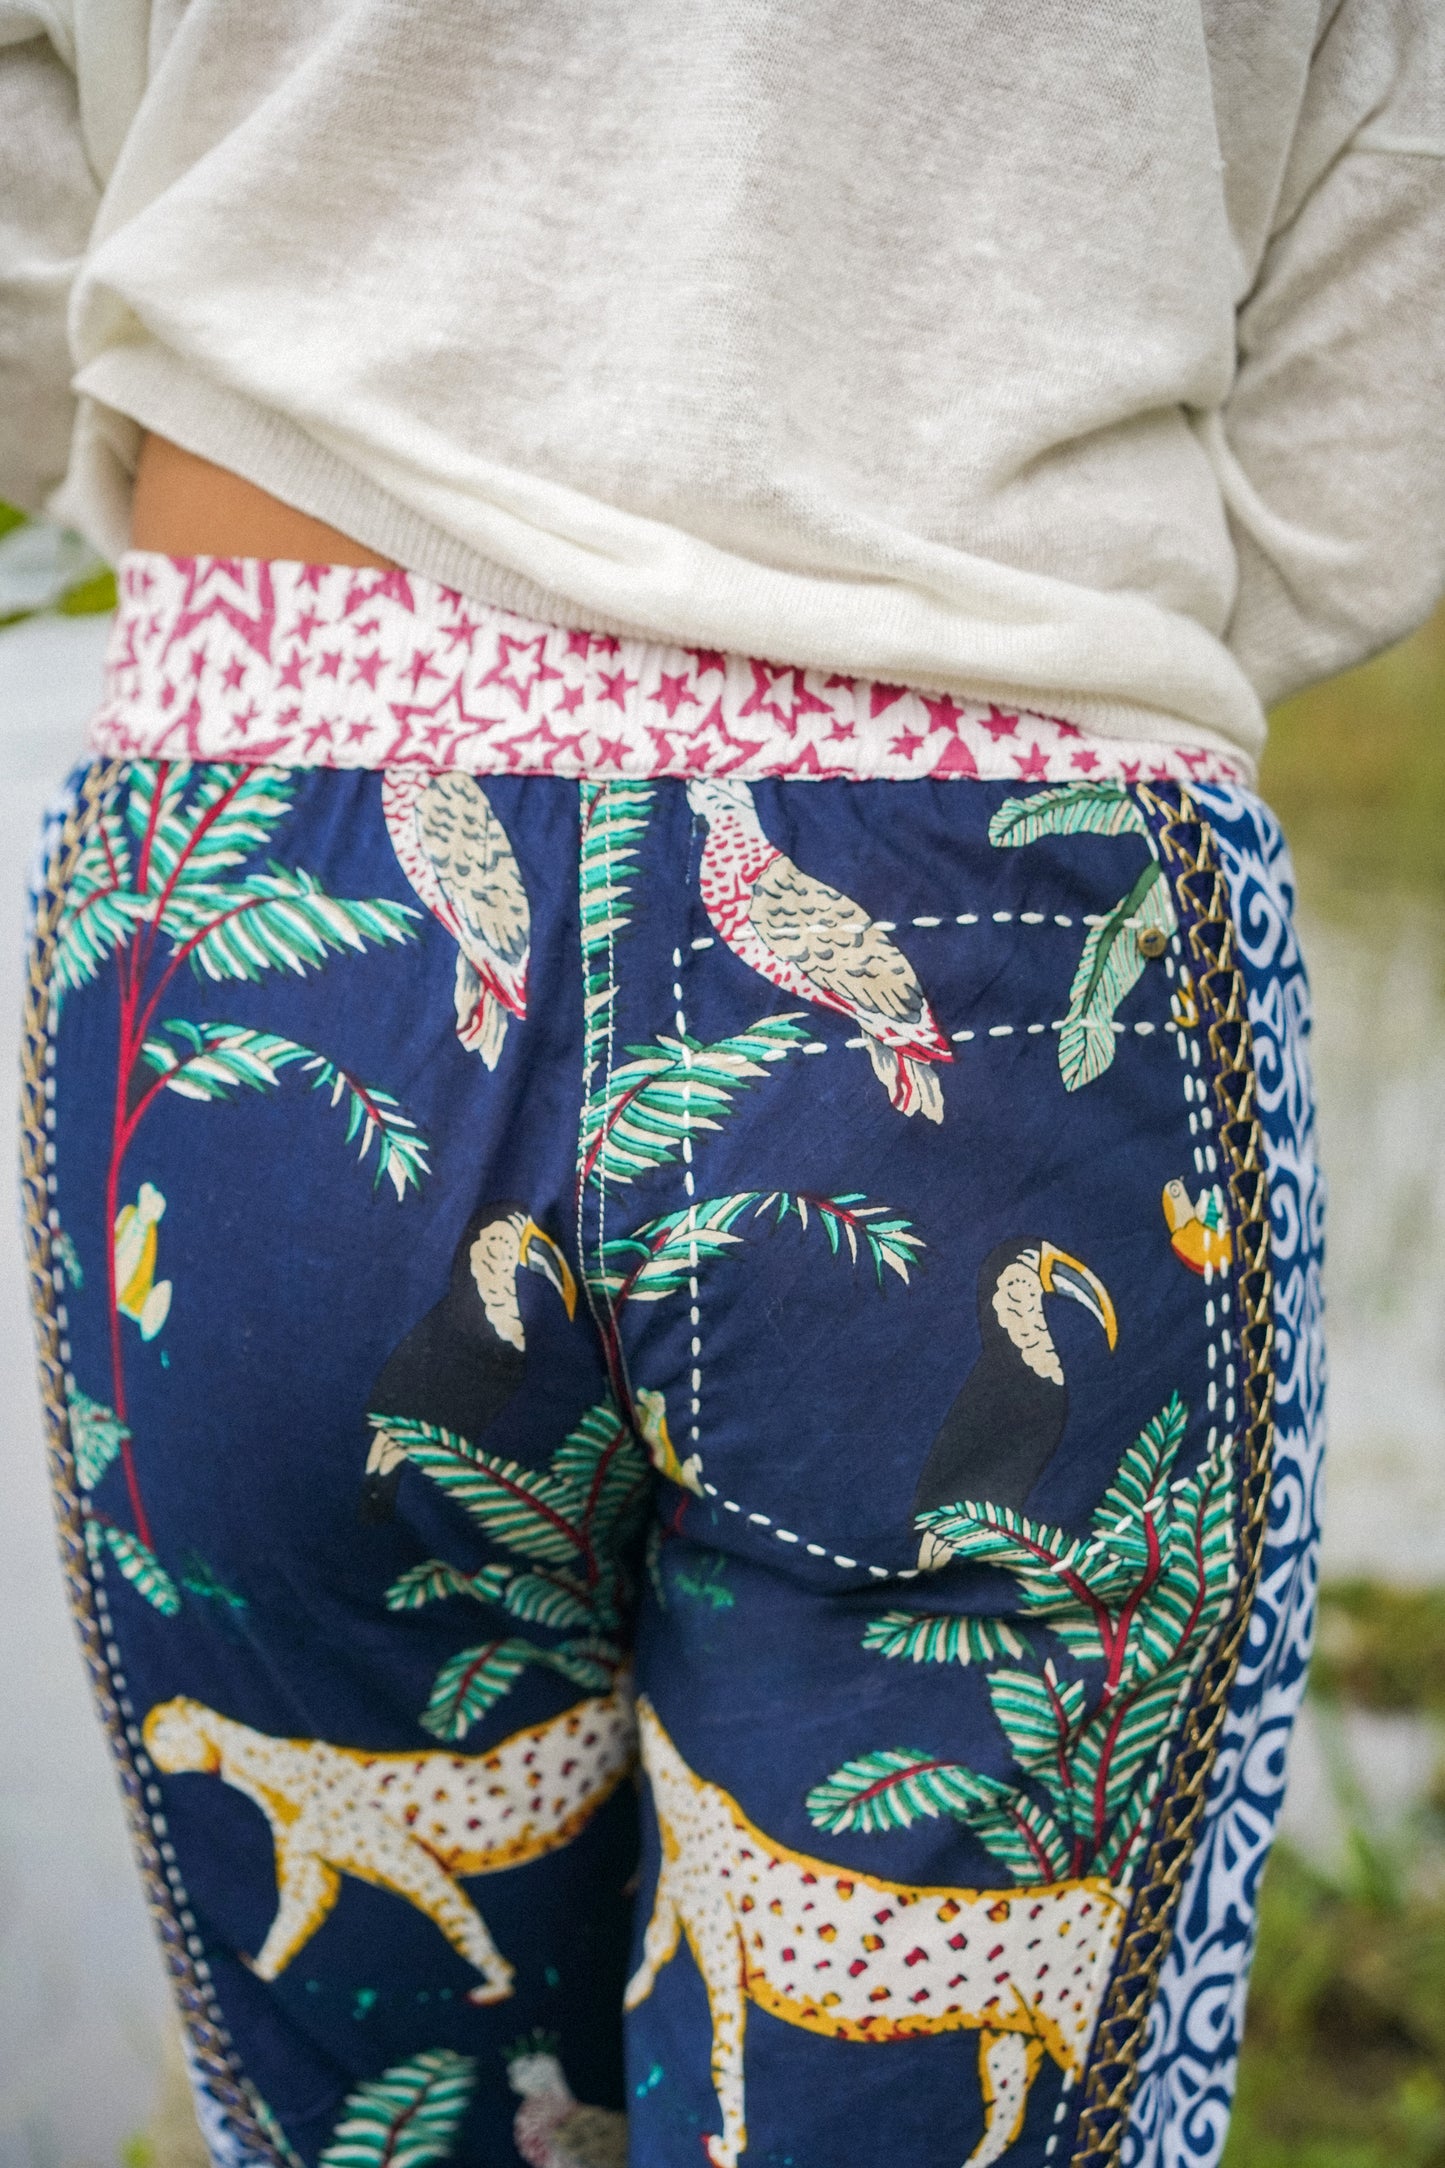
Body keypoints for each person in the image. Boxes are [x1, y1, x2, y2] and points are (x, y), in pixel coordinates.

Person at [4, 7, 1442, 2166]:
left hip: (274, 861)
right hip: (994, 849)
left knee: (389, 2118)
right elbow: (1395, 283)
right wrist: (990, 618)